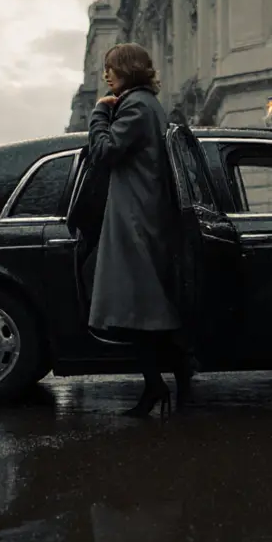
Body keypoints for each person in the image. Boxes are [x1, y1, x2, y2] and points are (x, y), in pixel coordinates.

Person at [85, 43, 192, 418]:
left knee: (137, 309)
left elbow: (104, 151)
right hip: (145, 214)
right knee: (145, 308)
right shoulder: (149, 105)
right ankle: (170, 379)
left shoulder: (133, 105)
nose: (106, 75)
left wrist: (99, 113)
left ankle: (157, 386)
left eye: (111, 67)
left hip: (134, 217)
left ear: (128, 69)